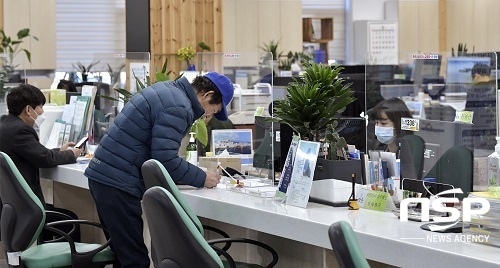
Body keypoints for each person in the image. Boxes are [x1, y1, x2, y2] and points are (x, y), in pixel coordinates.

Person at [84, 72, 234, 267]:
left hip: (106, 175)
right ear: (207, 95)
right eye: (214, 110)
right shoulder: (178, 106)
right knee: (134, 261)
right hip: (117, 183)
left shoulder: (169, 91)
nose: (208, 115)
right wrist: (202, 177)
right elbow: (165, 159)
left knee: (124, 256)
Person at [0, 84, 82, 240]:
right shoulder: (19, 130)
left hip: (13, 208)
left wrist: (60, 150)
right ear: (28, 110)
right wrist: (71, 154)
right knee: (70, 221)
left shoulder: (6, 125)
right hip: (26, 211)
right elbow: (46, 159)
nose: (42, 112)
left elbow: (37, 153)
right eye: (40, 107)